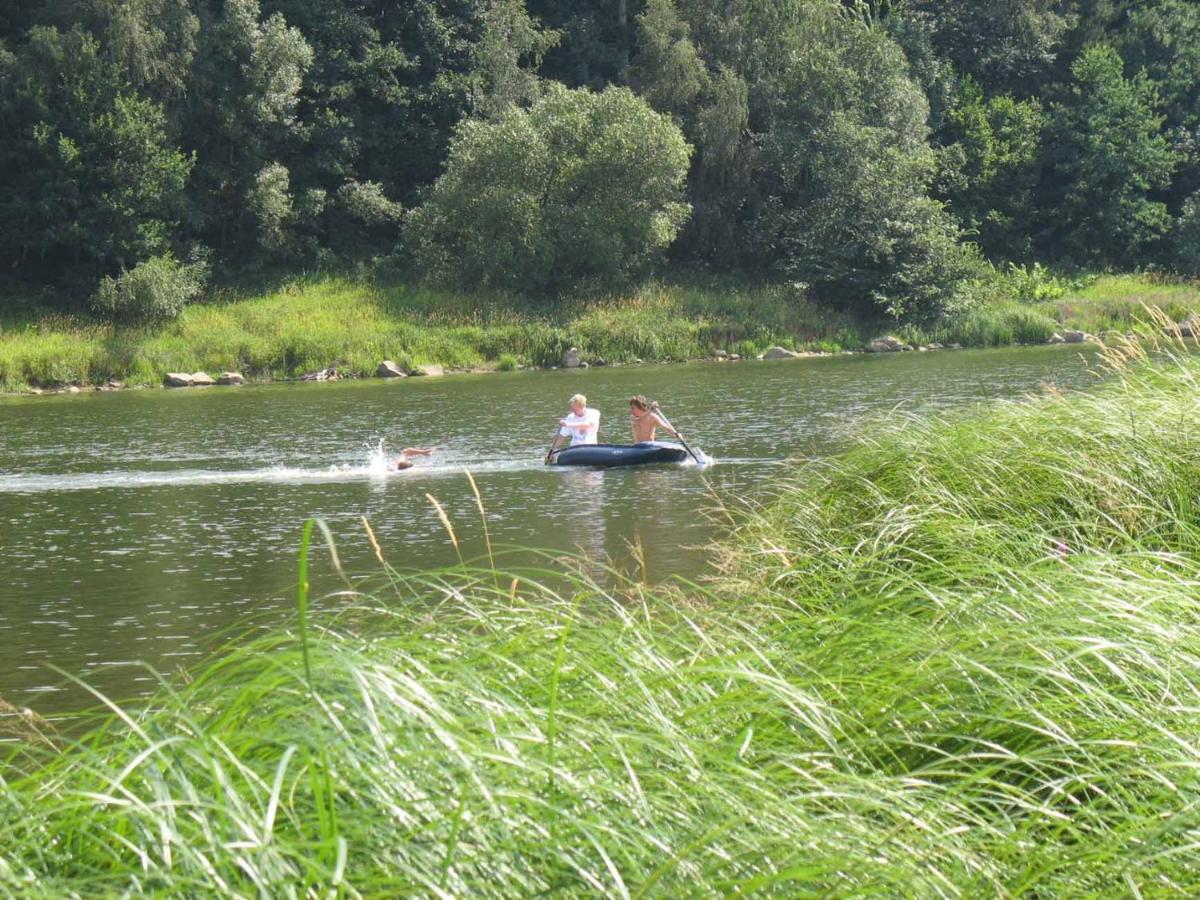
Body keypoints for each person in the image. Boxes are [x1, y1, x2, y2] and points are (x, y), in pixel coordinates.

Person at [546, 393, 600, 461]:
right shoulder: (570, 417)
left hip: (590, 449)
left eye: (574, 409)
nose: (572, 411)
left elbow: (587, 425)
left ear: (582, 406)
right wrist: (551, 452)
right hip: (574, 451)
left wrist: (568, 424)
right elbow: (561, 436)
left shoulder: (594, 413)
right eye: (572, 408)